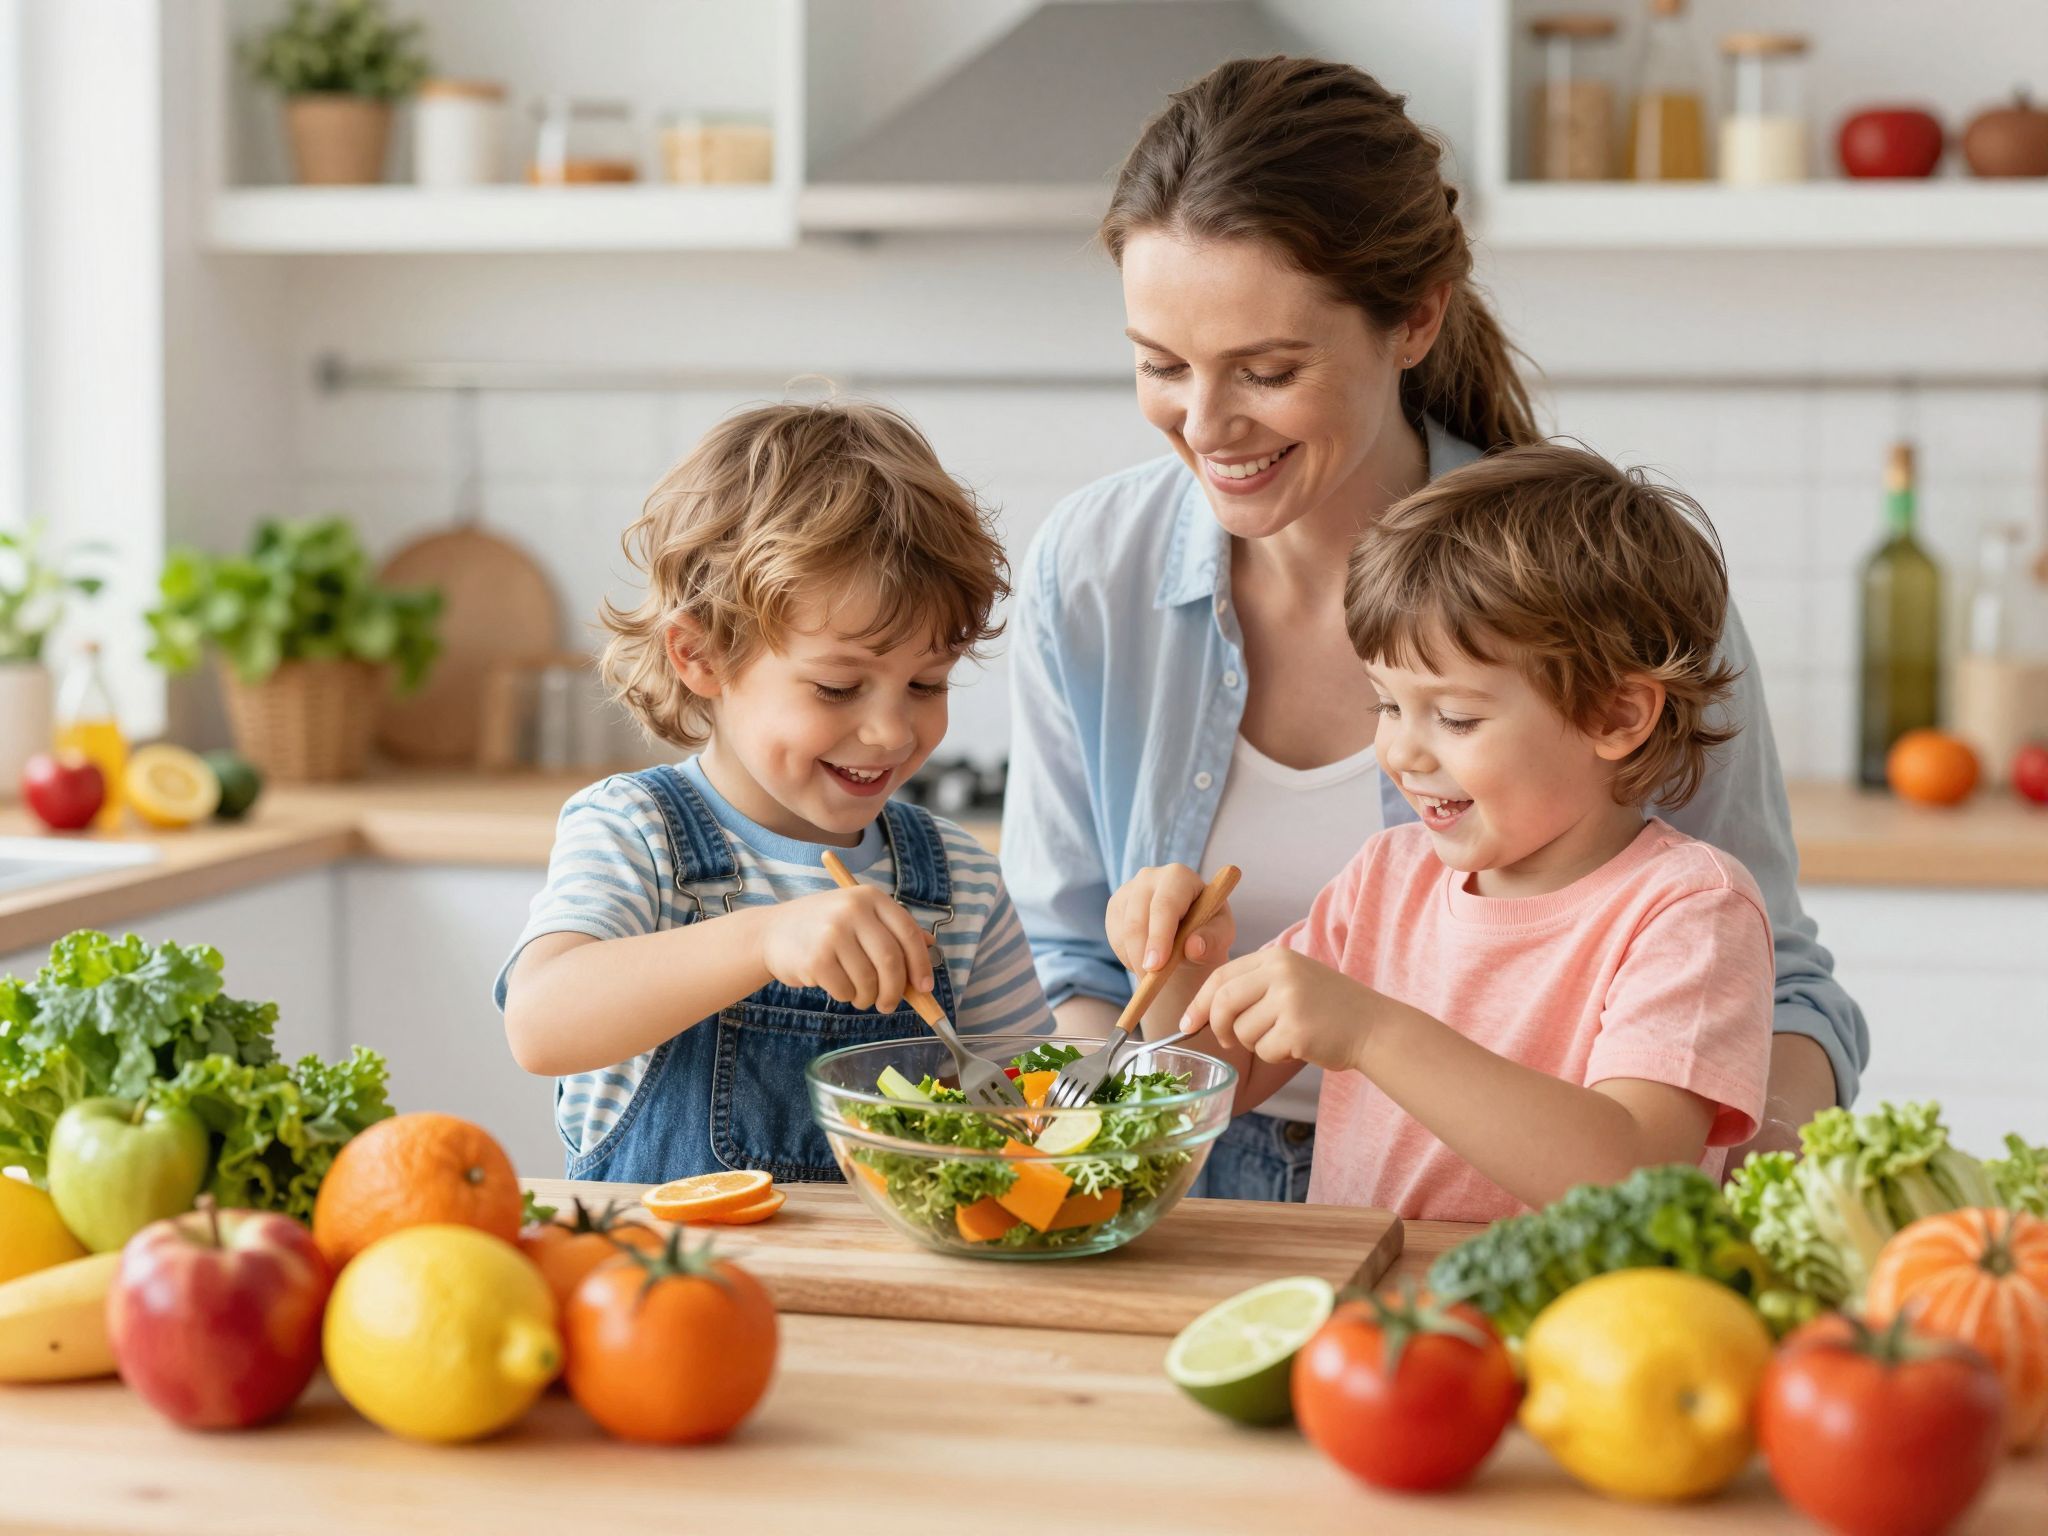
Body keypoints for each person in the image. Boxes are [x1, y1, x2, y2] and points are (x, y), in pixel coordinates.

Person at [1001, 55, 1865, 1201]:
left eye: (1263, 369)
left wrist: (1735, 1212)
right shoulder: (1091, 570)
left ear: (1414, 319)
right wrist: (1161, 987)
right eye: (1159, 366)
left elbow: (1766, 990)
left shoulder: (1592, 589)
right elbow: (1093, 993)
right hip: (1215, 1197)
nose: (1203, 424)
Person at [1111, 444, 1773, 1221]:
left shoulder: (1689, 910)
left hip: (1563, 1337)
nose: (1400, 751)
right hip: (1365, 1326)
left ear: (1616, 715)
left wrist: (1372, 1031)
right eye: (1387, 705)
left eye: (1455, 717)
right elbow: (1210, 1083)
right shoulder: (1387, 876)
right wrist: (1176, 969)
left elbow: (1634, 1178)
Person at [497, 400, 1047, 1184]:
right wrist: (764, 941)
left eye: (926, 682)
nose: (892, 732)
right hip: (664, 1296)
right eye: (837, 687)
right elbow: (541, 1022)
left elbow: (1035, 1118)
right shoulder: (638, 834)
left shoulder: (961, 885)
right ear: (701, 656)